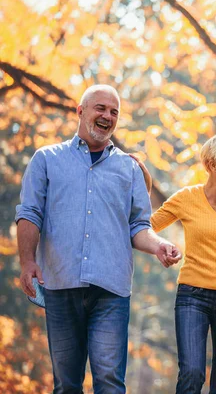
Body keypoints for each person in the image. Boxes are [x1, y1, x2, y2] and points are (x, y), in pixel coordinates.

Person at [15, 84, 182, 393]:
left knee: (109, 382)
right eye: (101, 108)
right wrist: (27, 262)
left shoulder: (129, 168)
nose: (108, 116)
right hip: (60, 284)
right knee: (67, 385)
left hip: (111, 291)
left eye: (114, 111)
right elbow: (29, 214)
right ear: (80, 111)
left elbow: (139, 227)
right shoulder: (46, 159)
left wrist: (159, 246)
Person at [149, 134, 216, 393]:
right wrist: (163, 247)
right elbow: (147, 225)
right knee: (192, 373)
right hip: (193, 295)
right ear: (212, 164)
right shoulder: (187, 198)